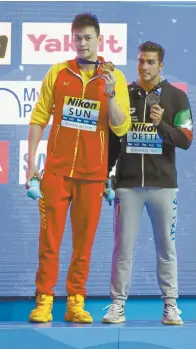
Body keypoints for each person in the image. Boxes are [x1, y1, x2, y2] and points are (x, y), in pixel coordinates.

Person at [26, 13, 131, 323]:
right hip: (56, 172)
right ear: (72, 40)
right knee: (49, 241)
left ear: (100, 40)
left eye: (88, 38)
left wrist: (110, 93)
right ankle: (44, 299)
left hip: (93, 175)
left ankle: (75, 301)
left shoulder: (116, 77)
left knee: (83, 243)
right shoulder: (58, 72)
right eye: (78, 38)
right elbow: (39, 118)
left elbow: (121, 126)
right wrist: (31, 163)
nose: (83, 43)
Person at [102, 41, 193, 325]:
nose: (145, 66)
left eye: (151, 62)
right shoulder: (126, 94)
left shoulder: (177, 97)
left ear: (161, 65)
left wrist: (161, 125)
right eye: (141, 61)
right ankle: (117, 305)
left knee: (166, 247)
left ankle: (170, 305)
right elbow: (115, 139)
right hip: (128, 185)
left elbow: (186, 140)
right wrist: (106, 174)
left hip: (164, 186)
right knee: (123, 247)